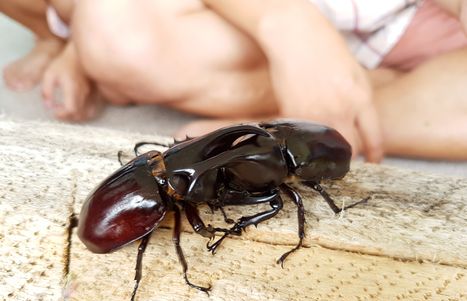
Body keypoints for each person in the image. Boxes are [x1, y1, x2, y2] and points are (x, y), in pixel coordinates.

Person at [2, 0, 467, 161]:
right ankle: (63, 34)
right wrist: (286, 21)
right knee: (115, 39)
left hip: (412, 27)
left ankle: (310, 114)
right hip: (234, 19)